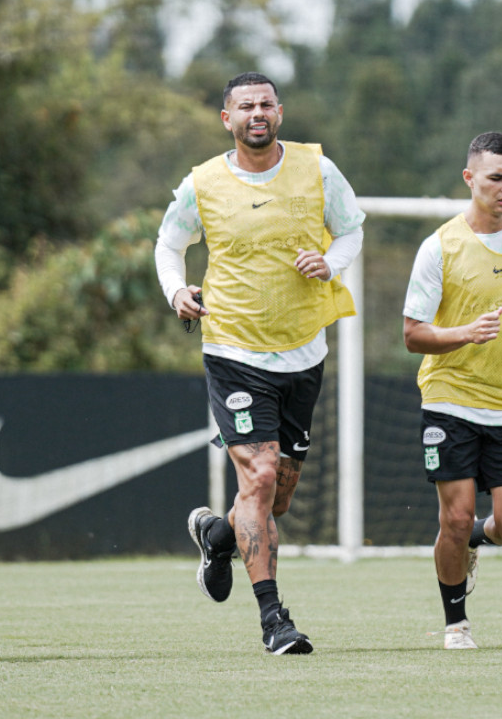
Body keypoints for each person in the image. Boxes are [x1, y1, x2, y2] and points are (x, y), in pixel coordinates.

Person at [154, 72, 365, 655]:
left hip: (304, 350)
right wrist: (177, 291)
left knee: (277, 497)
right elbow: (168, 245)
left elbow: (352, 232)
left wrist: (330, 262)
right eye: (245, 106)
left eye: (266, 104)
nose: (257, 113)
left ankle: (217, 536)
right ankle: (275, 620)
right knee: (260, 476)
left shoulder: (318, 169)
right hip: (233, 348)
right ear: (227, 118)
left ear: (280, 111)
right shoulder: (203, 183)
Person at [403, 131, 502, 649]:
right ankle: (456, 624)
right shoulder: (441, 246)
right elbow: (412, 333)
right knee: (451, 517)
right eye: (497, 177)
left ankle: (477, 538)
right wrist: (464, 334)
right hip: (449, 400)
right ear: (470, 178)